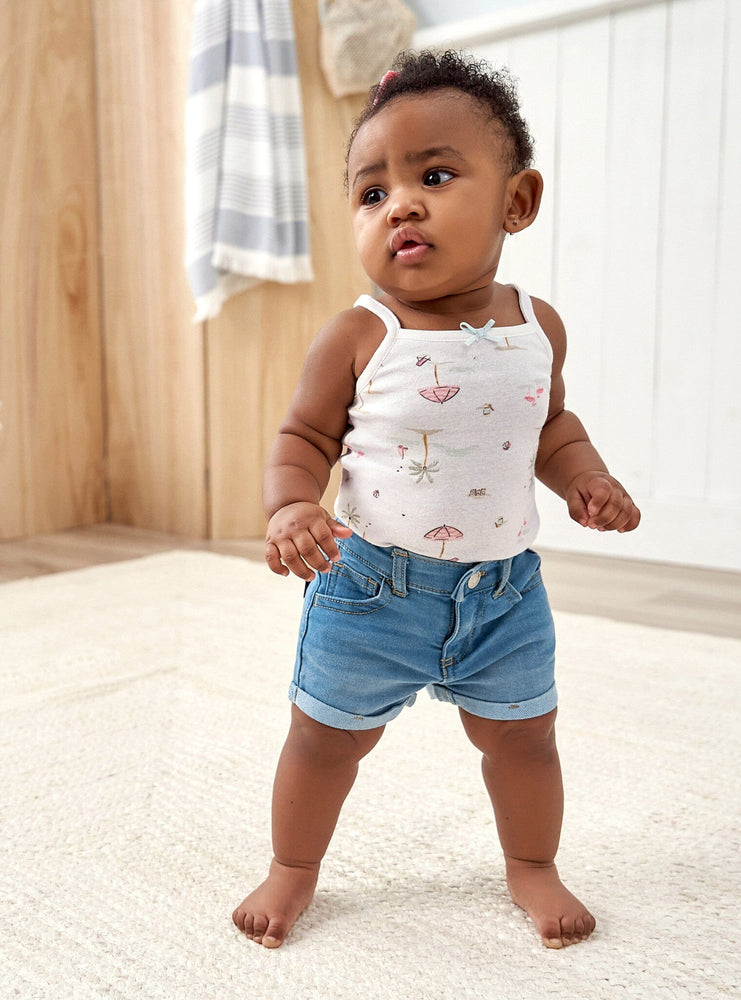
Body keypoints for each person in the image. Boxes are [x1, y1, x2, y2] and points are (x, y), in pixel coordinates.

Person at [232, 49, 640, 951]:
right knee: (324, 740)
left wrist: (586, 478)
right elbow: (303, 438)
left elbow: (550, 426)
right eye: (372, 193)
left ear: (516, 202)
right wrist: (291, 507)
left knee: (525, 738)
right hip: (370, 589)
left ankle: (532, 863)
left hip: (504, 595)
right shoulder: (360, 332)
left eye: (436, 176)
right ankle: (292, 868)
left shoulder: (538, 326)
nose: (401, 206)